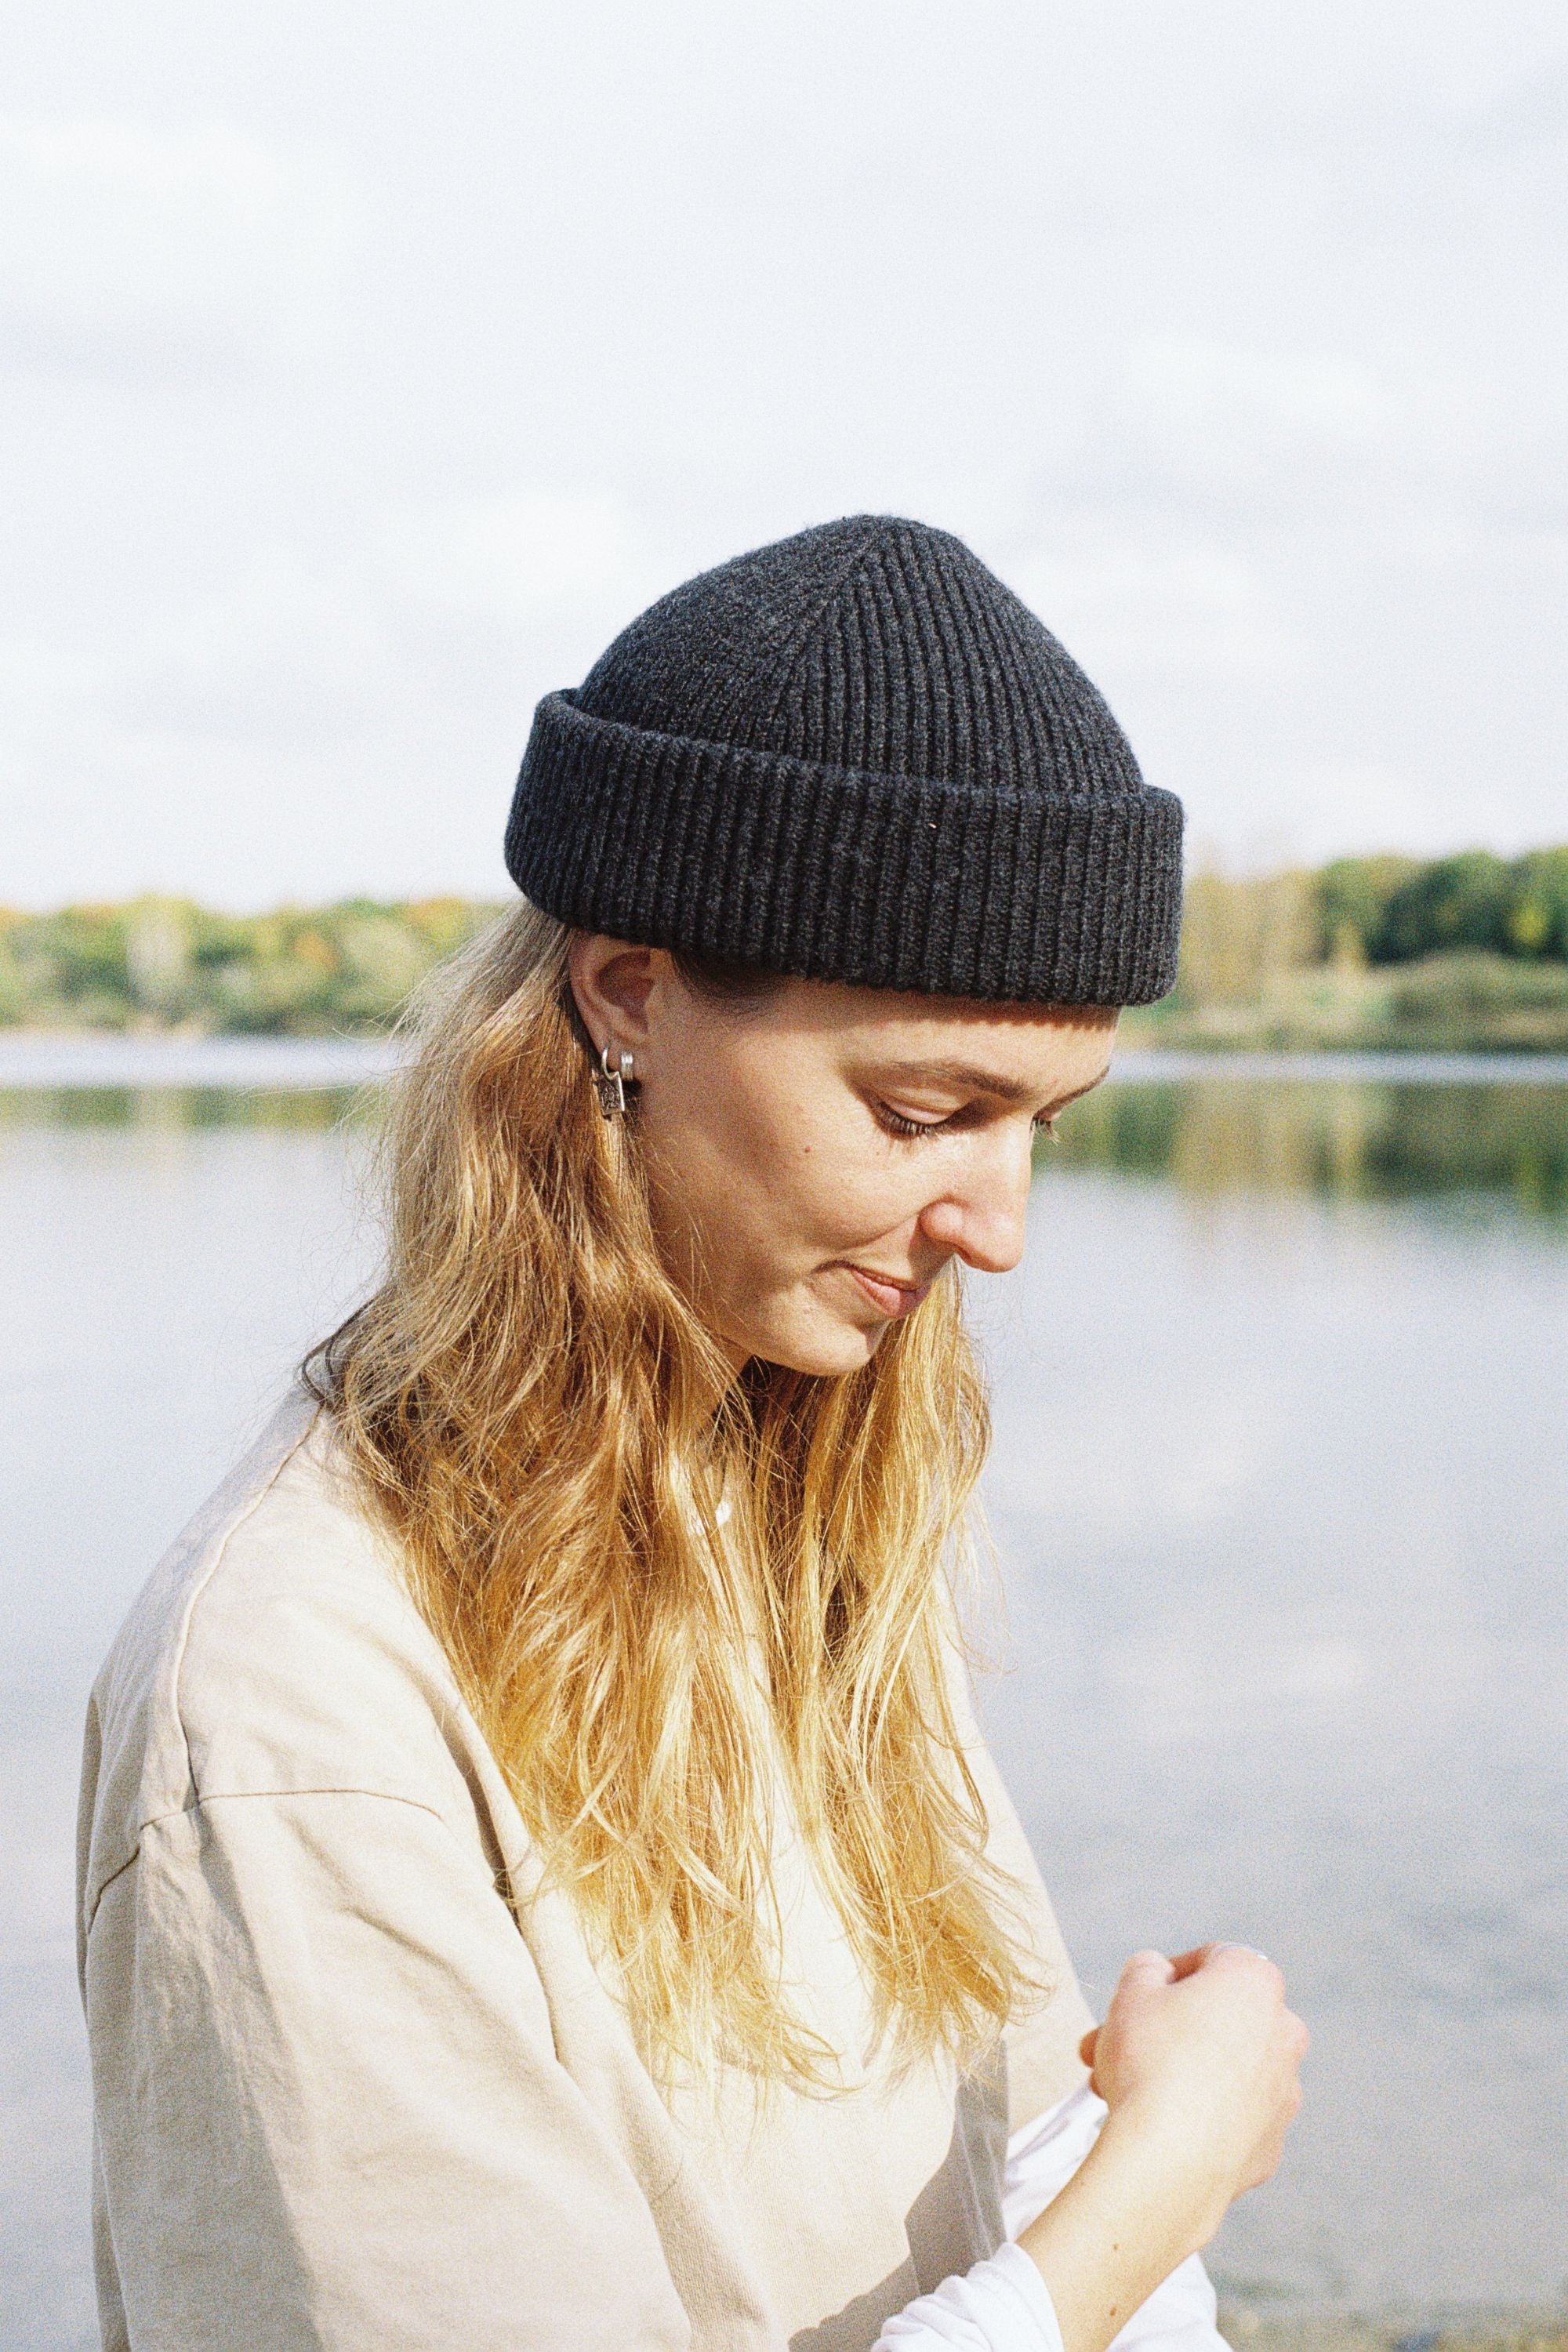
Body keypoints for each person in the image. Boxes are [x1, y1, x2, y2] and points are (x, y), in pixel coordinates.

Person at [78, 516, 1307, 2352]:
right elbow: (1063, 2261)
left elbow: (991, 2157)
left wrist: (1118, 2162)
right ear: (629, 992)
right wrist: (1153, 2195)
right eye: (923, 1112)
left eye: (1043, 1125)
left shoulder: (803, 1529)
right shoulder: (296, 1716)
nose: (1000, 1228)